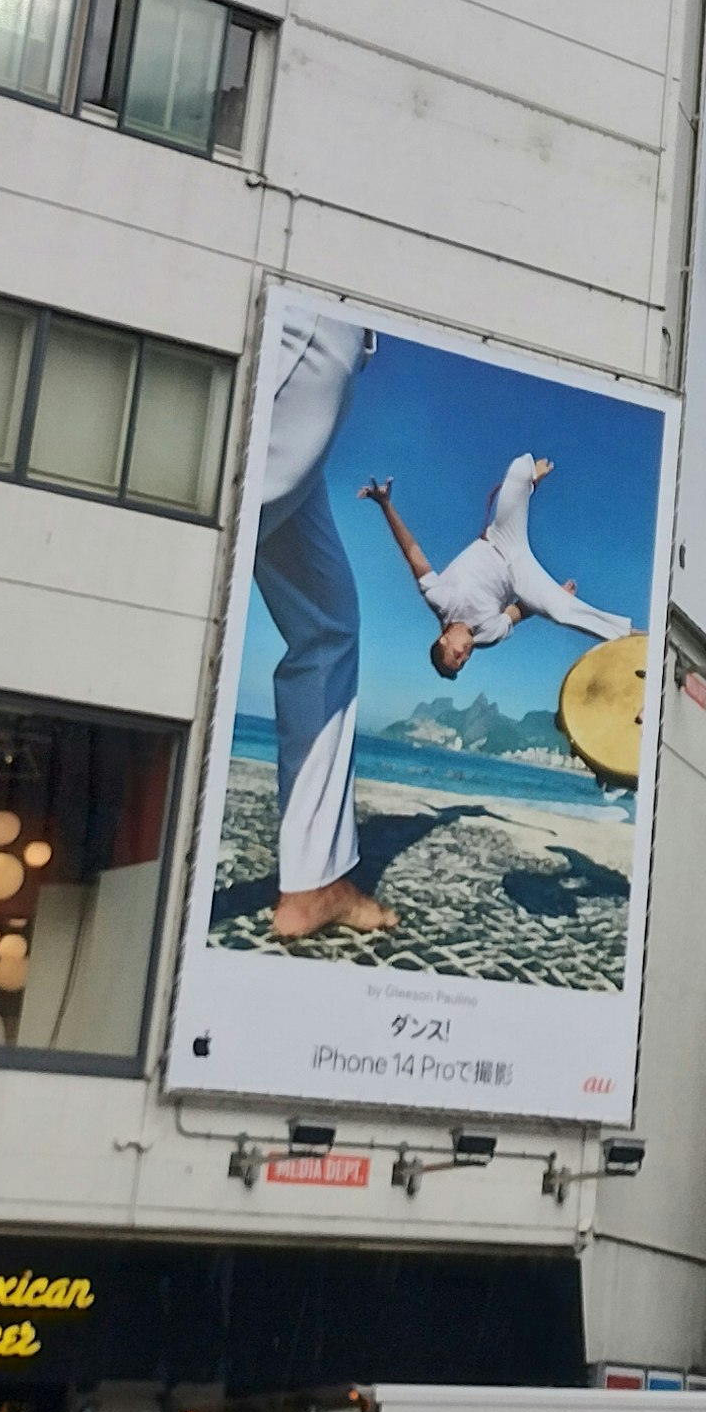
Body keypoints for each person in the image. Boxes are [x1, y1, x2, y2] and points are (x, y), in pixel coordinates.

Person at [251, 308, 396, 942]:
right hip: (303, 330)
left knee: (329, 624)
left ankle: (313, 881)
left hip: (319, 343)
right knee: (197, 549)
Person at [359, 458, 639, 677]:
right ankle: (640, 639)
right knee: (561, 612)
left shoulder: (441, 600)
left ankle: (531, 479)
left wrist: (385, 505)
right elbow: (518, 610)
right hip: (520, 573)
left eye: (457, 656)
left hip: (501, 536)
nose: (465, 656)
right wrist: (553, 595)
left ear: (444, 640)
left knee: (519, 470)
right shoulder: (487, 637)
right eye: (463, 663)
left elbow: (412, 551)